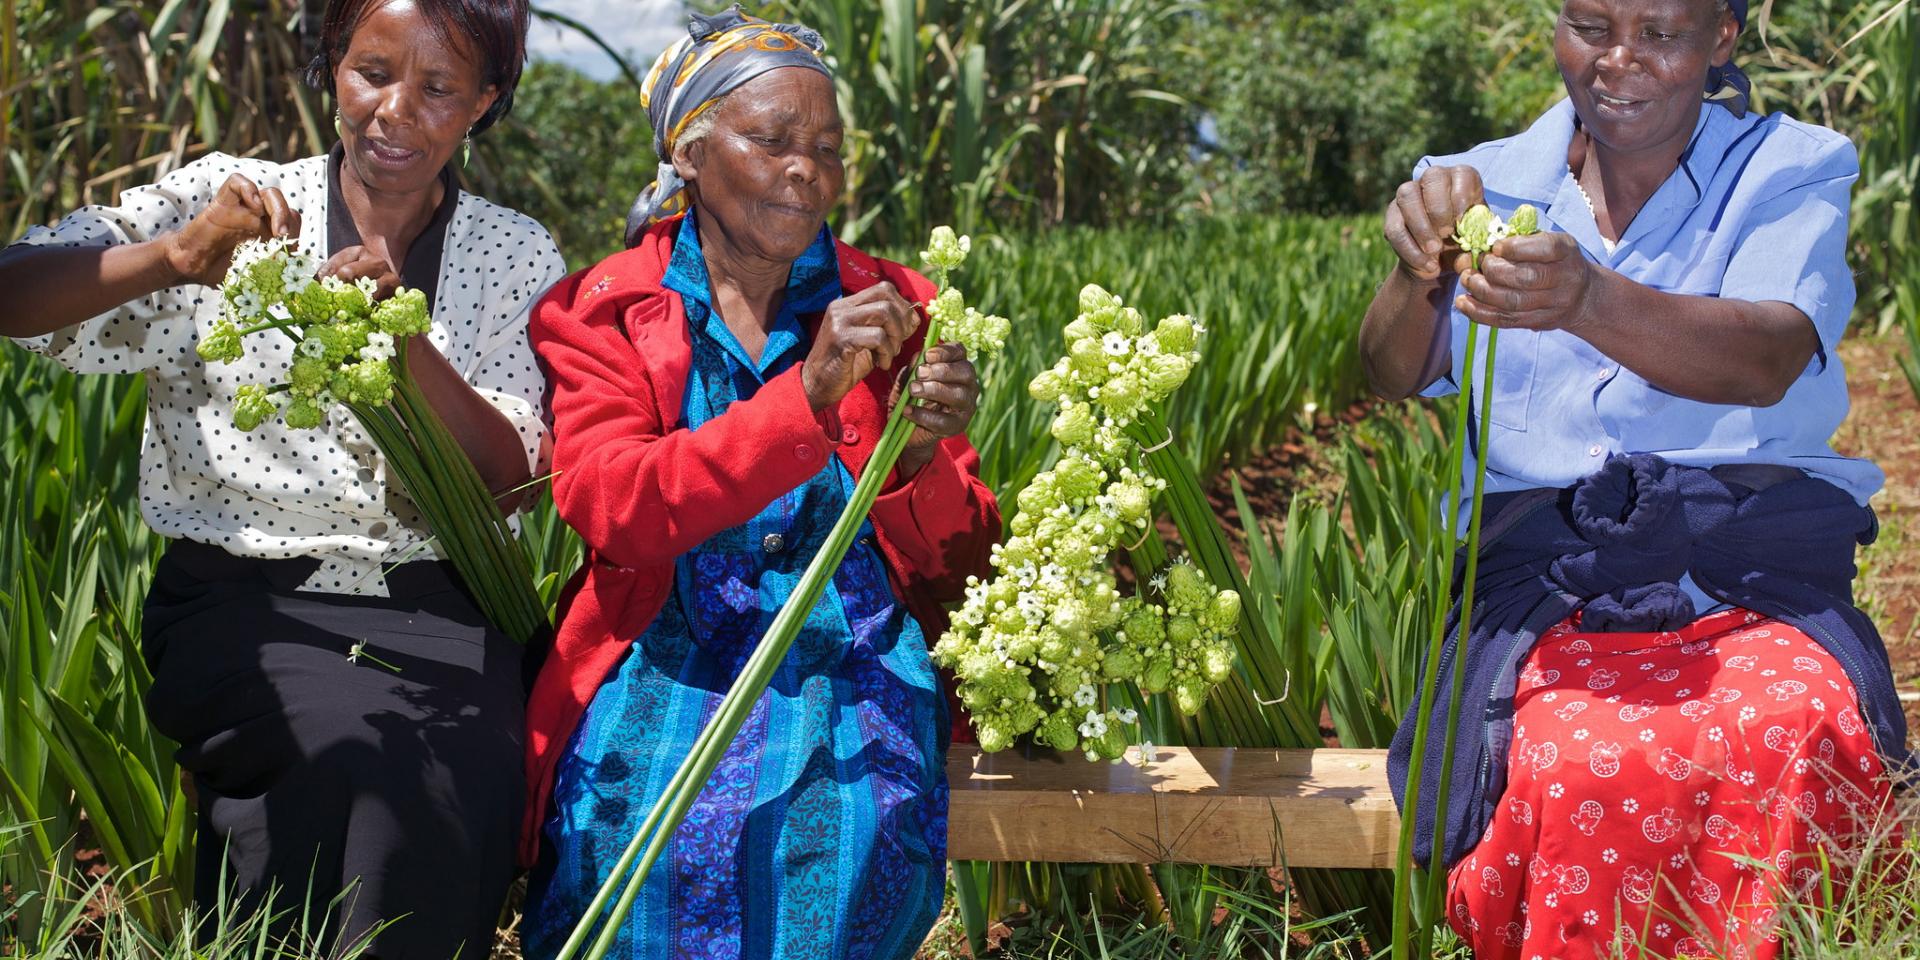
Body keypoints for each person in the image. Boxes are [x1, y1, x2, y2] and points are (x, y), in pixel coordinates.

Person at [0, 0, 565, 954]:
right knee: (352, 766)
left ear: (485, 102)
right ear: (331, 68)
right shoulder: (231, 200)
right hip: (248, 606)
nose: (394, 111)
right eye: (372, 72)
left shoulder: (514, 253)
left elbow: (508, 481)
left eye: (438, 89)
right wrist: (174, 259)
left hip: (441, 610)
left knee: (458, 779)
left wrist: (403, 342)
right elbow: (17, 290)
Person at [1361, 0, 1908, 956]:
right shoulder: (1482, 182)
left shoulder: (1791, 169)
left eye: (1661, 33)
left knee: (1792, 724)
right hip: (1548, 579)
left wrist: (1587, 298)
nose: (1621, 61)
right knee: (1574, 754)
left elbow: (1766, 358)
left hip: (1748, 567)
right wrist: (1418, 276)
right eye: (1590, 25)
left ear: (1722, 39)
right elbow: (1390, 370)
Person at [517, 7, 1000, 959]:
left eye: (827, 147)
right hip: (663, 643)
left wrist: (915, 454)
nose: (805, 170)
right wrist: (806, 398)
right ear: (690, 153)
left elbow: (965, 554)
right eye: (772, 140)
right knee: (630, 832)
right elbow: (614, 506)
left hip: (847, 649)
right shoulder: (605, 310)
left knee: (844, 830)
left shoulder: (898, 304)